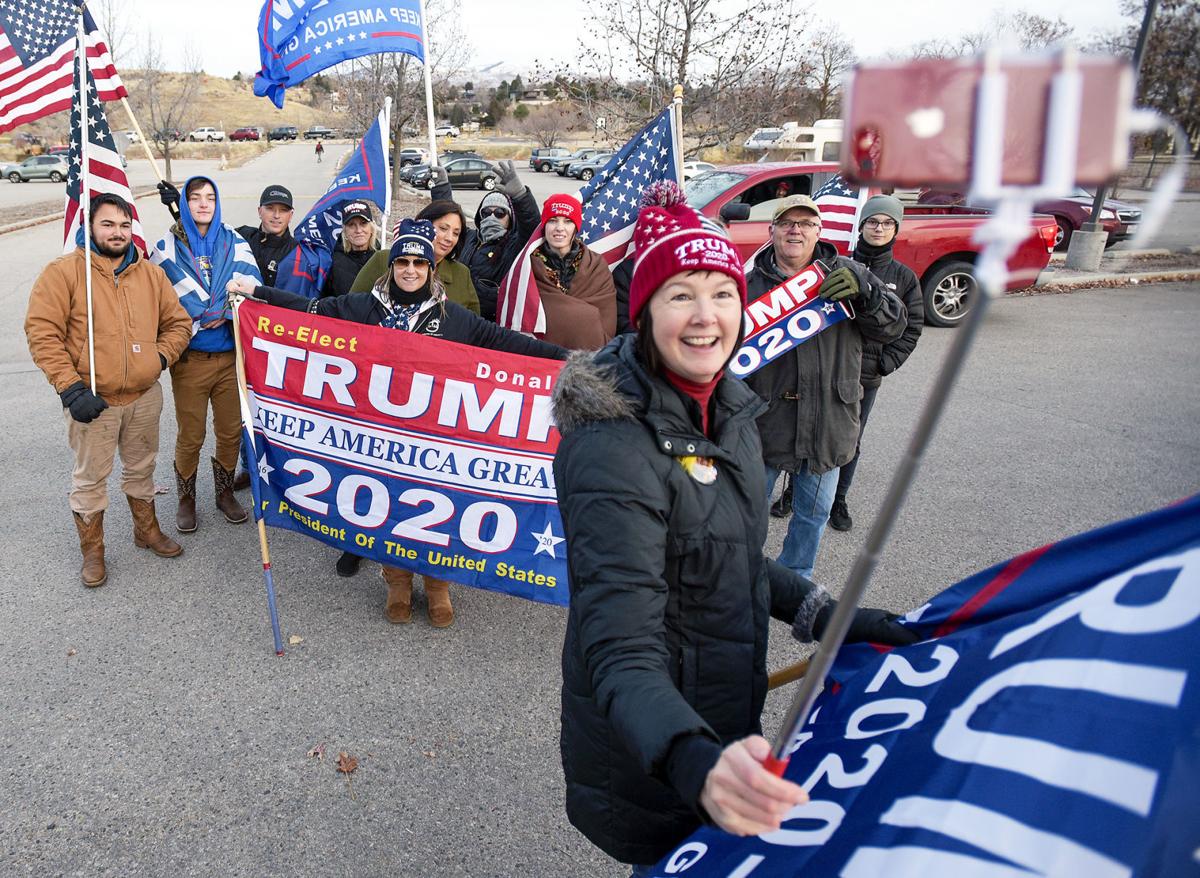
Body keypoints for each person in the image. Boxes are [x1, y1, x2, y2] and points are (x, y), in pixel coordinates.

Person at [551, 182, 917, 872]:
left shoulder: (730, 414)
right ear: (645, 312)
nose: (705, 316)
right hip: (653, 743)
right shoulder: (612, 447)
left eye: (721, 293)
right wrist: (691, 758)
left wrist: (826, 615)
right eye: (680, 295)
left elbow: (730, 559)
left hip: (721, 709)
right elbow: (619, 646)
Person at [227, 219, 567, 624]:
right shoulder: (365, 307)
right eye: (402, 261)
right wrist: (255, 293)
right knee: (389, 505)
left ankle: (438, 586)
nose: (410, 270)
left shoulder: (452, 316)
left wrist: (568, 358)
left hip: (434, 439)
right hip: (379, 437)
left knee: (435, 512)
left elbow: (504, 342)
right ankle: (397, 581)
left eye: (419, 264)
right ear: (391, 265)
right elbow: (311, 310)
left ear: (431, 269)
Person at [25, 193, 193, 587]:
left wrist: (158, 360)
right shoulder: (65, 272)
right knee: (90, 479)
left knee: (141, 469)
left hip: (143, 396)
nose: (117, 233)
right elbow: (42, 333)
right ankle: (94, 552)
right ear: (90, 226)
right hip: (91, 400)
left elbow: (179, 324)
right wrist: (69, 387)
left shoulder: (151, 275)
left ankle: (146, 531)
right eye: (108, 224)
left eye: (124, 225)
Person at [745, 195, 906, 579]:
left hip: (828, 422)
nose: (795, 230)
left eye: (805, 224)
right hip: (764, 423)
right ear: (772, 231)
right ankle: (742, 576)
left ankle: (795, 577)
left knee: (813, 513)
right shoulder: (748, 285)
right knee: (747, 512)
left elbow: (893, 326)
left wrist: (867, 295)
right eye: (786, 223)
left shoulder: (849, 273)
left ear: (819, 231)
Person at [151, 176, 263, 532]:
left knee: (231, 431)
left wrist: (223, 312)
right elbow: (162, 298)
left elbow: (252, 290)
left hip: (231, 358)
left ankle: (224, 491)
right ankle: (186, 498)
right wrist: (202, 311)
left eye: (210, 198)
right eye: (195, 198)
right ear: (185, 203)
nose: (203, 204)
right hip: (191, 360)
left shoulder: (235, 242)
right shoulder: (167, 245)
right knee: (191, 434)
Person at [828, 195, 924, 532]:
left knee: (850, 441)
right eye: (872, 222)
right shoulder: (839, 264)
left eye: (886, 223)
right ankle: (798, 492)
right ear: (861, 225)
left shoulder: (904, 277)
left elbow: (912, 326)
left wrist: (887, 362)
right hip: (830, 368)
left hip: (865, 377)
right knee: (812, 432)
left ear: (895, 228)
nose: (878, 228)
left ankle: (838, 499)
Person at [433, 160, 539, 321]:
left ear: (510, 219)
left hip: (486, 324)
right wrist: (442, 187)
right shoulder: (469, 237)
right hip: (451, 314)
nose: (492, 217)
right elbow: (448, 216)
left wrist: (520, 195)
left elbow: (532, 226)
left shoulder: (514, 246)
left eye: (500, 213)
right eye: (487, 212)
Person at [349, 201, 480, 314]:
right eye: (443, 228)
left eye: (456, 233)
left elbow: (474, 330)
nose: (449, 238)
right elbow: (351, 308)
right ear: (424, 225)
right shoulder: (382, 260)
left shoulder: (462, 274)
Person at [527, 193, 616, 349]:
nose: (559, 228)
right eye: (553, 221)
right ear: (544, 225)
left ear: (576, 227)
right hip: (540, 359)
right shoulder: (528, 265)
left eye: (567, 221)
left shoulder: (596, 265)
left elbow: (606, 318)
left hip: (586, 360)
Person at [234, 185, 298, 288]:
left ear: (290, 215)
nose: (276, 215)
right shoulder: (241, 237)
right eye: (270, 208)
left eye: (283, 210)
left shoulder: (298, 253)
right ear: (259, 211)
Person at [321, 200, 379, 300]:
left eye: (363, 223)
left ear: (371, 228)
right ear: (344, 230)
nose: (358, 230)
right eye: (351, 225)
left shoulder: (383, 259)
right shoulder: (332, 263)